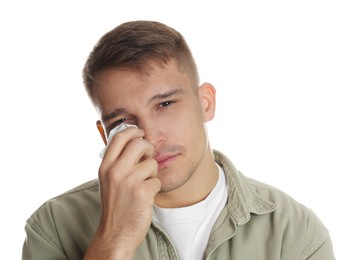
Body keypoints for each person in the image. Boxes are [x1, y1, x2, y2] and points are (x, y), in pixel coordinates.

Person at [22, 20, 335, 260]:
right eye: (123, 121)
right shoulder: (54, 226)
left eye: (165, 104)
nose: (151, 136)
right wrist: (114, 237)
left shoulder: (293, 230)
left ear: (205, 103)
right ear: (106, 137)